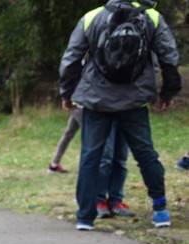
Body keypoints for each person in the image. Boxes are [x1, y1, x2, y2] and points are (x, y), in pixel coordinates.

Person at [59, 0, 181, 230]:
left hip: (96, 99)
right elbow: (169, 57)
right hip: (135, 99)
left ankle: (85, 217)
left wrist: (67, 92)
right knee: (146, 155)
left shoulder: (91, 17)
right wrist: (168, 92)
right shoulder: (152, 17)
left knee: (90, 157)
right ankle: (160, 210)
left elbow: (71, 58)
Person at [96, 125, 135, 218]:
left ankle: (116, 201)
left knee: (121, 160)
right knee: (105, 159)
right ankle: (98, 201)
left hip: (125, 115)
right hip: (105, 114)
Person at [48, 105, 81, 174]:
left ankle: (54, 164)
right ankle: (90, 167)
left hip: (76, 107)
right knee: (91, 138)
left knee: (68, 135)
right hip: (83, 107)